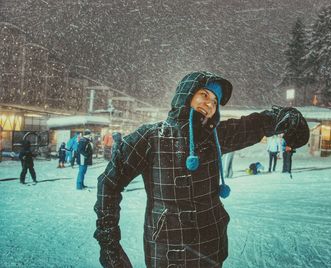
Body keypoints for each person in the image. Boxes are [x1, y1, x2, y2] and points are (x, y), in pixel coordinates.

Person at [93, 71, 309, 267]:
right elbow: (109, 184)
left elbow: (252, 125)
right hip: (169, 251)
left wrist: (286, 118)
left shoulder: (214, 137)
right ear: (186, 95)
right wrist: (109, 243)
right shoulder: (151, 138)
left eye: (215, 101)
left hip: (210, 248)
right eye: (204, 95)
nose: (210, 104)